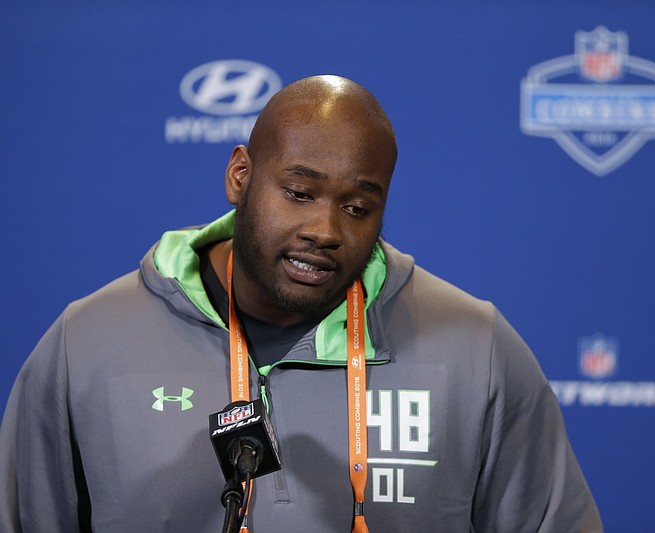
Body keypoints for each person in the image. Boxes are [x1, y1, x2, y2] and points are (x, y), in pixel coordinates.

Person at [0, 75, 602, 532]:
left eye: (358, 207)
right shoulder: (88, 343)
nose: (326, 229)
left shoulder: (477, 348)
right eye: (299, 192)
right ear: (240, 174)